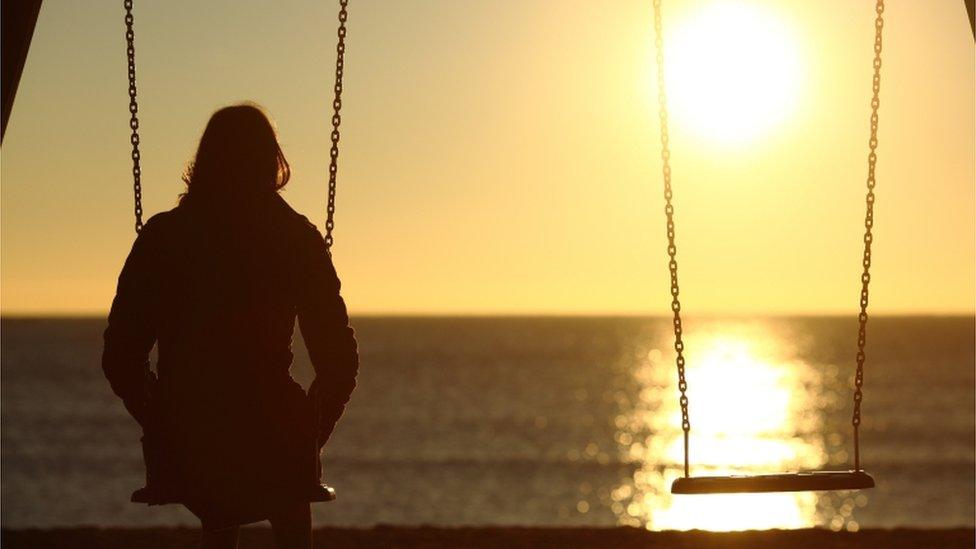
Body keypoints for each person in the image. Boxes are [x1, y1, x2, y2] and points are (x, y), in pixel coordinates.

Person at [102, 103, 359, 549]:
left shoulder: (165, 238)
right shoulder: (296, 239)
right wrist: (311, 434)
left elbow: (121, 357)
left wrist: (160, 417)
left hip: (191, 437)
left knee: (219, 465)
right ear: (272, 163)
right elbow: (340, 363)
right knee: (282, 464)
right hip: (273, 436)